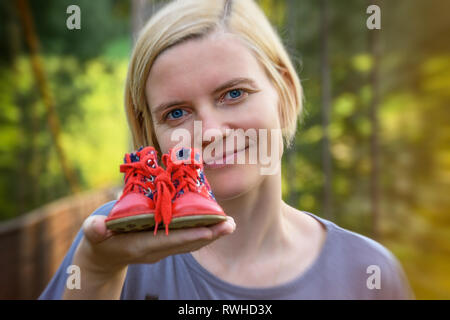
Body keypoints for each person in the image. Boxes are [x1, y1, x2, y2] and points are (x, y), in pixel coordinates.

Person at [39, 0, 414, 300]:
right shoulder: (116, 244)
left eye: (234, 93)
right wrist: (97, 271)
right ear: (151, 133)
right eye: (177, 113)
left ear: (283, 94)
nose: (211, 132)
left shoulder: (368, 272)